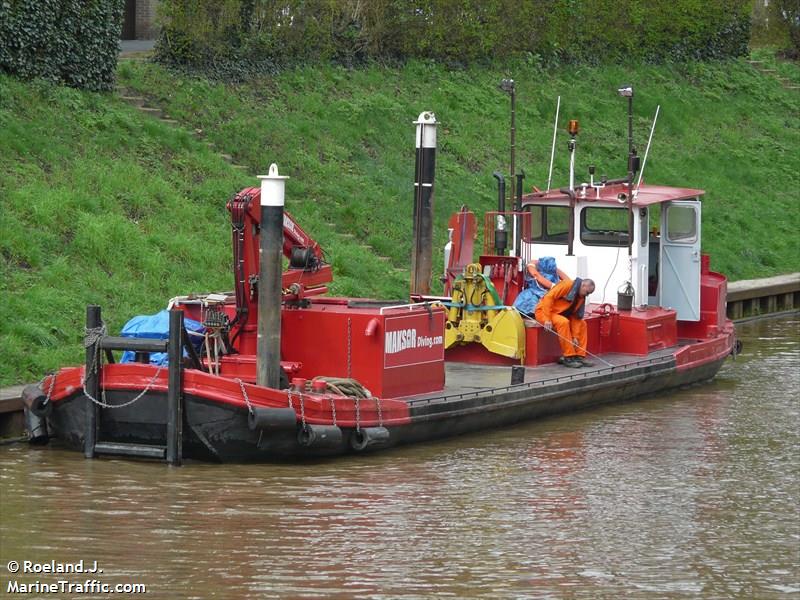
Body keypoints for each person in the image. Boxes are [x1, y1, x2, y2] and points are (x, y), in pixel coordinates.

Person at [535, 277, 596, 368]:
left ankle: (579, 356)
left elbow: (576, 317)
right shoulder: (567, 285)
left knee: (583, 324)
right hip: (544, 312)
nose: (587, 295)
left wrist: (575, 336)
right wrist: (547, 319)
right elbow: (548, 297)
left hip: (560, 315)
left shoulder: (581, 297)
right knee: (563, 322)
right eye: (587, 292)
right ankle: (568, 356)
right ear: (583, 285)